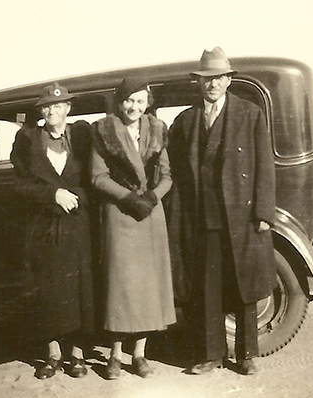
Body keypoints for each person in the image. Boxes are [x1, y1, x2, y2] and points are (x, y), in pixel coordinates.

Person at [167, 47, 277, 375]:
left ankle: (246, 355)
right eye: (206, 79)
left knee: (243, 286)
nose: (212, 84)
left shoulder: (250, 114)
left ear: (228, 80)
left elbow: (264, 167)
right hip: (201, 216)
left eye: (218, 78)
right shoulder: (184, 121)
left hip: (242, 216)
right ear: (198, 84)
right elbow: (173, 171)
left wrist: (262, 213)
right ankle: (211, 354)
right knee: (206, 288)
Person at [90, 77, 176, 379]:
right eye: (129, 100)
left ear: (147, 102)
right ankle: (115, 354)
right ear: (119, 101)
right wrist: (128, 197)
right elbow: (97, 177)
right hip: (119, 214)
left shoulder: (157, 130)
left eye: (140, 101)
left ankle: (139, 354)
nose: (134, 107)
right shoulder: (104, 131)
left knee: (147, 287)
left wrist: (152, 197)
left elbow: (167, 175)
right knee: (120, 285)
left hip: (150, 215)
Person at [10, 82, 94, 379]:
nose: (52, 110)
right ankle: (53, 353)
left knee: (79, 290)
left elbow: (92, 179)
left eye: (58, 105)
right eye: (47, 106)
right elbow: (19, 184)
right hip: (44, 227)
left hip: (76, 225)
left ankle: (78, 354)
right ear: (41, 111)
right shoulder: (28, 139)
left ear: (68, 108)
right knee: (48, 291)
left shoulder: (82, 138)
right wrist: (52, 195)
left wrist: (76, 198)